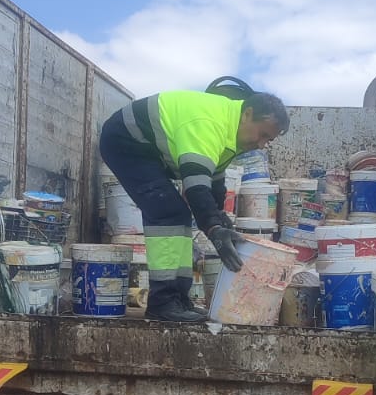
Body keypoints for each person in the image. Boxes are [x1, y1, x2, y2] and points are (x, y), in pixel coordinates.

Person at [100, 84, 289, 322]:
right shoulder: (210, 124)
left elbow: (214, 180)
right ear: (248, 113)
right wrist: (213, 228)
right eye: (262, 134)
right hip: (126, 141)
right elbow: (196, 185)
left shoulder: (231, 131)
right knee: (168, 213)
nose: (261, 144)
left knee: (176, 215)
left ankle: (177, 300)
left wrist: (219, 217)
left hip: (148, 150)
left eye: (268, 140)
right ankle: (163, 303)